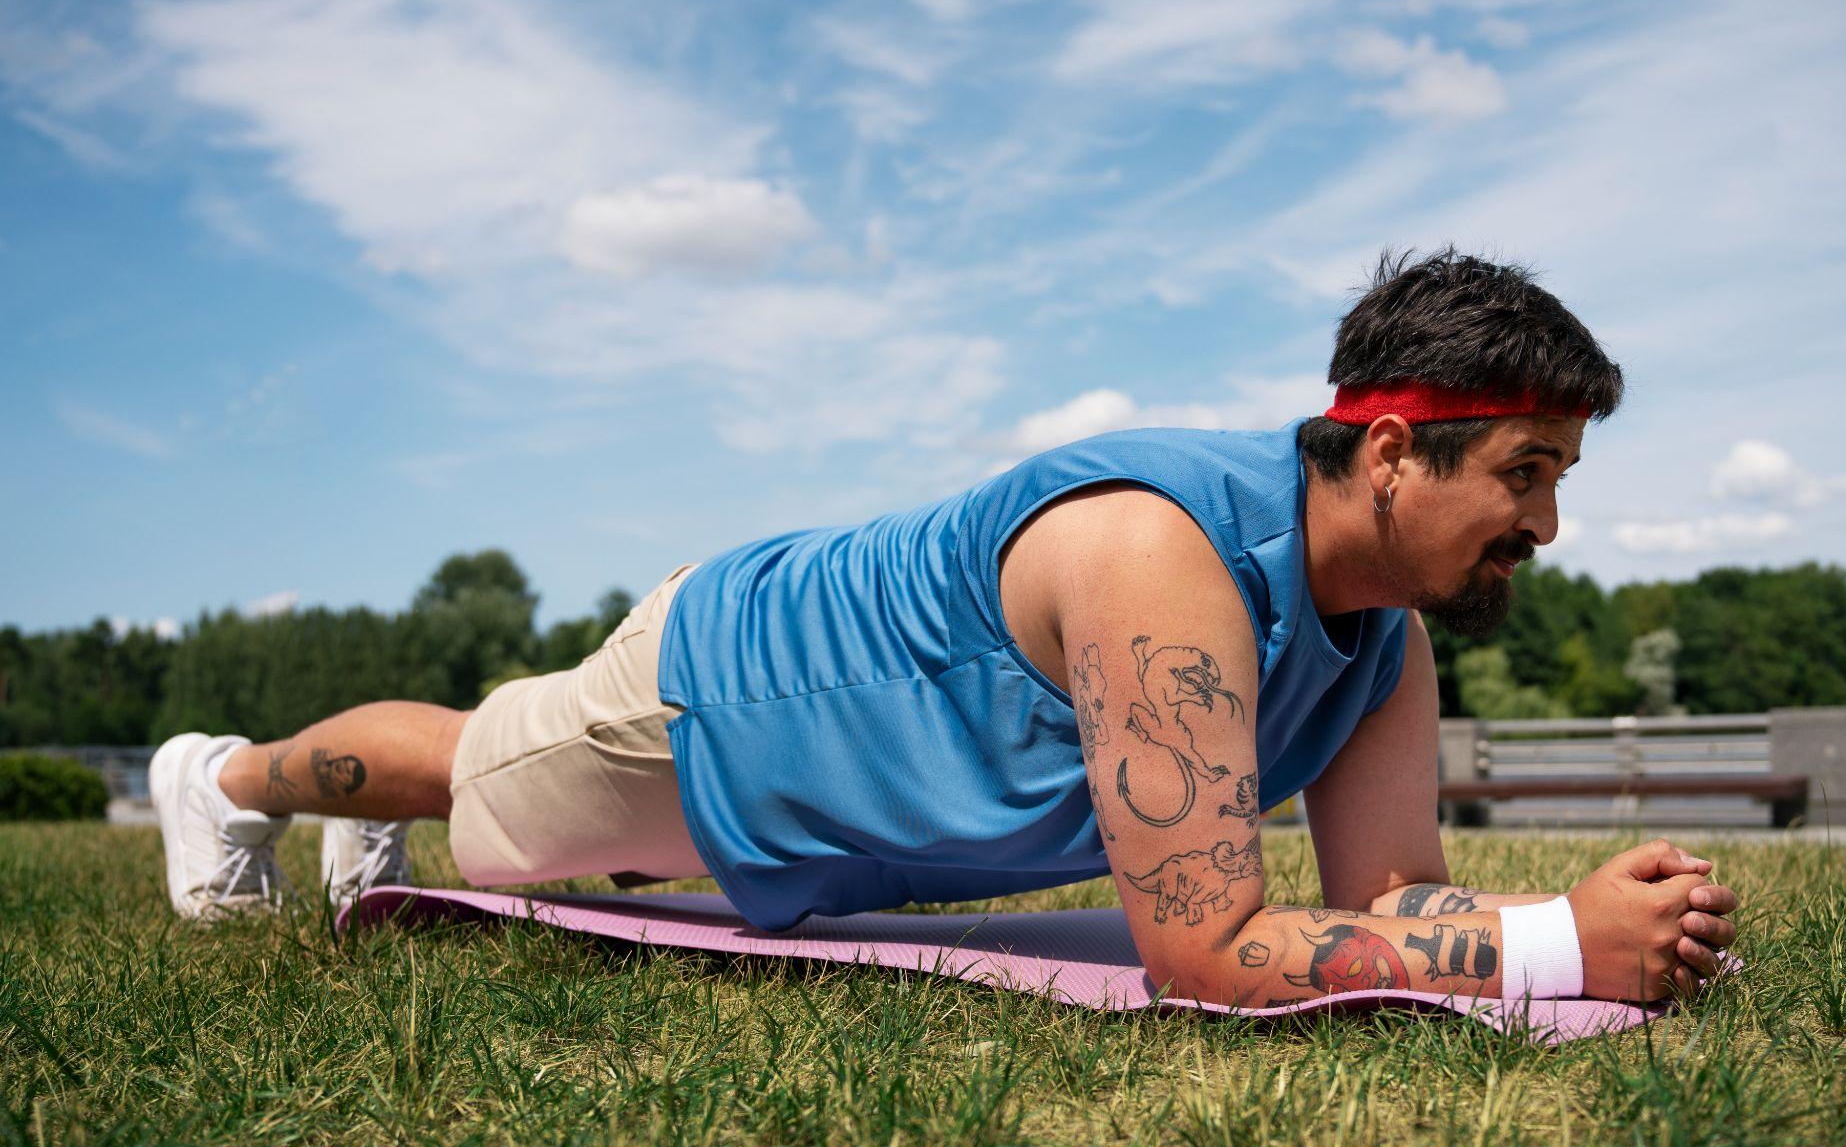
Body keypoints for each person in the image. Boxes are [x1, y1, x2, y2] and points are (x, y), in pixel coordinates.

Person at [151, 249, 1739, 1008]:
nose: (1545, 525)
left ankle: (295, 806)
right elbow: (1206, 955)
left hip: (843, 791)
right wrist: (1555, 947)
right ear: (1392, 454)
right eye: (1525, 475)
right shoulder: (1165, 556)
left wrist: (1583, 925)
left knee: (517, 819)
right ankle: (224, 782)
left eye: (1558, 480)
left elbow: (1384, 905)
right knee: (471, 780)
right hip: (730, 701)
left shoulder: (1385, 637)